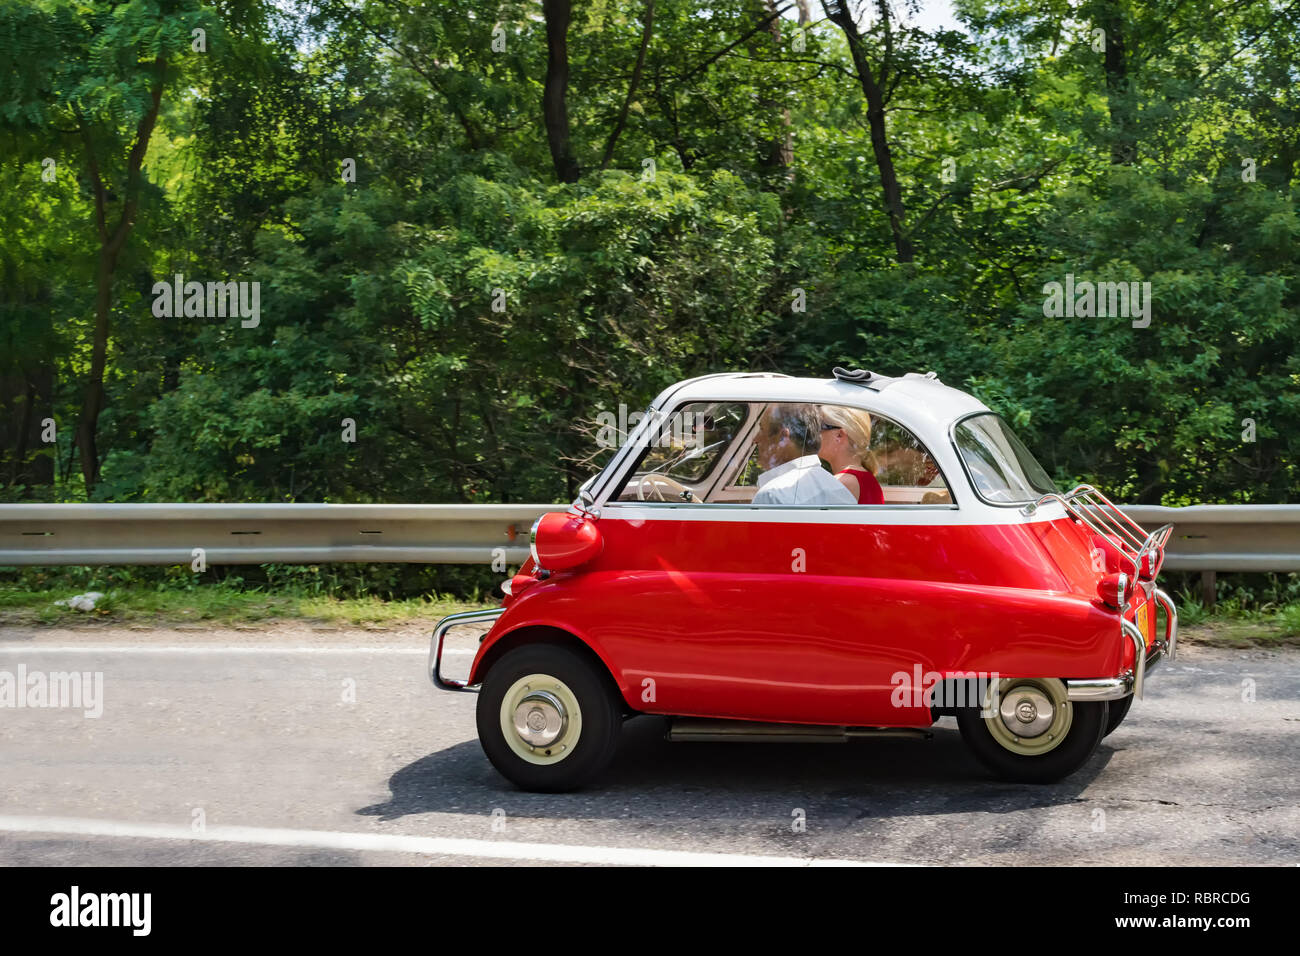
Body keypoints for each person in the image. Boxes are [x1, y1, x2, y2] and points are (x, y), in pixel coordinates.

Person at [751, 404, 856, 506]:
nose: (755, 439)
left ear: (783, 437)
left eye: (762, 430)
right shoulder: (842, 493)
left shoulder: (772, 496)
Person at [817, 405, 885, 505]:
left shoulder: (842, 483)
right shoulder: (867, 479)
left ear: (839, 435)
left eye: (820, 427)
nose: (815, 433)